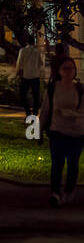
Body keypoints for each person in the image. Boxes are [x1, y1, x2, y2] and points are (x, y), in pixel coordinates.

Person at [40, 56, 83, 207]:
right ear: (59, 71)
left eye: (71, 68)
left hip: (76, 132)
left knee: (73, 164)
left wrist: (69, 113)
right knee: (57, 164)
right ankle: (55, 193)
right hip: (57, 130)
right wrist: (39, 129)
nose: (68, 72)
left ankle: (69, 191)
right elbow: (45, 110)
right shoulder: (52, 88)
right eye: (65, 68)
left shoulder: (80, 89)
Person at [16, 34, 45, 120]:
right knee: (36, 96)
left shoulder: (23, 50)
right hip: (35, 76)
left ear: (27, 41)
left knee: (22, 95)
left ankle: (28, 112)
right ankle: (35, 114)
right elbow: (41, 63)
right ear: (34, 41)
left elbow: (19, 63)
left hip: (26, 76)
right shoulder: (37, 51)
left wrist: (16, 73)